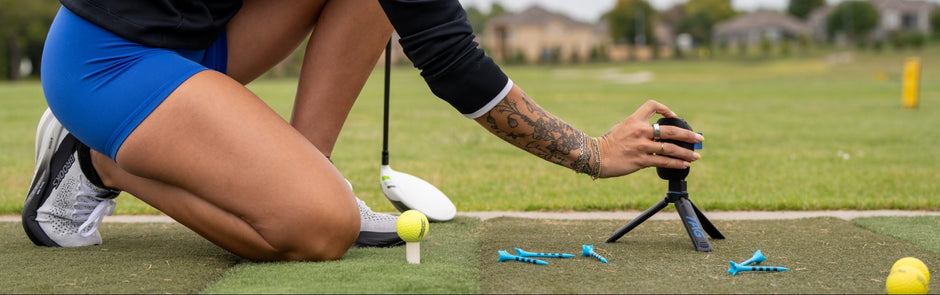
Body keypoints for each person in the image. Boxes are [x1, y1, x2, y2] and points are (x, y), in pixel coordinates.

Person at [24, 0, 702, 262]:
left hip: (200, 39)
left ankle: (304, 173)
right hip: (105, 60)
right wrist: (591, 153)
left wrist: (593, 151)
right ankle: (96, 159)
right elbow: (454, 65)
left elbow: (442, 45)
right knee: (320, 229)